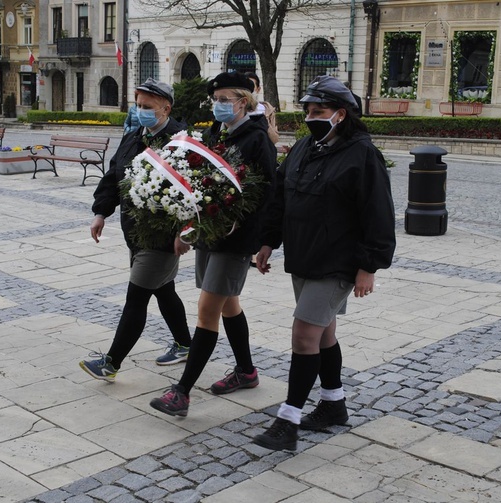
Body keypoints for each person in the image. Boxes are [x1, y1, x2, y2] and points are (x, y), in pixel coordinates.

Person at [252, 75, 396, 451]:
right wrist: (268, 241)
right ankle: (334, 404)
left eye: (319, 111)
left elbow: (378, 214)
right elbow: (280, 199)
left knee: (304, 334)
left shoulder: (363, 155)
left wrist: (369, 266)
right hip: (304, 256)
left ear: (341, 115)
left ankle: (288, 421)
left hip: (338, 262)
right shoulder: (303, 148)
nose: (311, 117)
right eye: (308, 111)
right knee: (324, 334)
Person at [150, 71, 277, 417]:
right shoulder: (216, 132)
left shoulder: (257, 139)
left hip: (235, 240)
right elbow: (199, 185)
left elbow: (268, 194)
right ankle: (247, 372)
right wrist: (186, 227)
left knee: (207, 312)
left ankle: (182, 392)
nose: (218, 105)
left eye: (225, 100)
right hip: (211, 233)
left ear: (244, 101)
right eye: (216, 99)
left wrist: (265, 241)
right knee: (228, 305)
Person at [79, 78, 193, 382]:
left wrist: (185, 232)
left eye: (147, 107)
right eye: (138, 105)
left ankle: (111, 363)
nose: (140, 111)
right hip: (134, 232)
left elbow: (195, 192)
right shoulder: (134, 137)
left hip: (162, 237)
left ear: (166, 108)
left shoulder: (180, 142)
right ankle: (184, 344)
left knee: (137, 297)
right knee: (164, 290)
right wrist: (101, 212)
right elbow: (113, 175)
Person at [245, 72, 279, 143]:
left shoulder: (267, 110)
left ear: (258, 89)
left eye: (251, 86)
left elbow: (274, 139)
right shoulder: (235, 108)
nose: (248, 90)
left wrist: (264, 120)